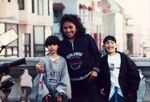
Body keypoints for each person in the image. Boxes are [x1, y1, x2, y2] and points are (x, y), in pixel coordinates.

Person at [37, 14, 101, 102]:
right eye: (65, 28)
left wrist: (95, 70)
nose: (68, 30)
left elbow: (97, 55)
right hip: (72, 83)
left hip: (89, 80)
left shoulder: (87, 39)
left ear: (77, 27)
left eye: (71, 27)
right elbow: (51, 57)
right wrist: (38, 66)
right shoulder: (62, 44)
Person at [98, 35, 140, 102]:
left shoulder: (123, 58)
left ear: (116, 45)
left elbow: (134, 73)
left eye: (112, 42)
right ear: (104, 46)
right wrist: (101, 87)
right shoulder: (103, 60)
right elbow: (100, 76)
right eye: (107, 43)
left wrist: (132, 89)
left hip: (124, 91)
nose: (110, 45)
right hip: (110, 92)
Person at [35, 35, 71, 102]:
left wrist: (60, 93)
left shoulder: (62, 61)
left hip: (59, 94)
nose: (52, 47)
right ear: (47, 46)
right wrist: (44, 93)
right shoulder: (43, 60)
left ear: (58, 46)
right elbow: (40, 78)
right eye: (49, 45)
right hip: (46, 94)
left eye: (54, 44)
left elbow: (65, 77)